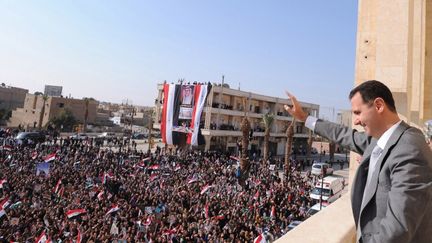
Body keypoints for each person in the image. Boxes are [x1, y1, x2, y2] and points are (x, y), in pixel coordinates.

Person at [284, 80, 432, 243]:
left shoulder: (409, 148)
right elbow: (344, 134)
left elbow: (397, 230)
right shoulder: (381, 140)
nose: (355, 121)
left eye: (358, 112)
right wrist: (305, 118)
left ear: (378, 106)